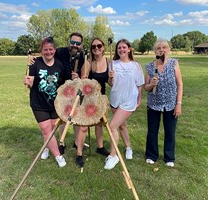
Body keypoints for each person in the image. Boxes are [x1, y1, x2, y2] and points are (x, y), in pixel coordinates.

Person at [30, 32, 85, 155]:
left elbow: (86, 73)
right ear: (69, 42)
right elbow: (47, 56)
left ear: (81, 44)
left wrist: (79, 77)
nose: (75, 45)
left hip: (75, 89)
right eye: (72, 42)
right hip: (59, 91)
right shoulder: (59, 52)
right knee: (61, 119)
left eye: (78, 43)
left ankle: (77, 143)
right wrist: (35, 59)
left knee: (75, 117)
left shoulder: (83, 56)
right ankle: (61, 142)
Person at [23, 37, 66, 167]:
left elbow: (61, 83)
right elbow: (31, 80)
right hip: (38, 103)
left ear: (54, 50)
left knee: (51, 129)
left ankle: (46, 147)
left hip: (54, 104)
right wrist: (28, 82)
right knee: (46, 130)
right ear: (41, 51)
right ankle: (58, 156)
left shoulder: (59, 65)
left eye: (51, 49)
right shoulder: (35, 63)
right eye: (45, 50)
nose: (48, 52)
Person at [104, 39, 144, 170]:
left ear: (129, 49)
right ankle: (128, 147)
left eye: (124, 47)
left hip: (128, 101)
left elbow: (139, 85)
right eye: (119, 48)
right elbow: (111, 84)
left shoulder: (136, 66)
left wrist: (139, 99)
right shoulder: (112, 63)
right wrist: (110, 77)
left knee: (112, 126)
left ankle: (113, 156)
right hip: (115, 99)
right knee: (121, 126)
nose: (121, 50)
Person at [144, 38, 183, 168]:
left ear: (168, 50)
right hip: (154, 103)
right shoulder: (150, 66)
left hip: (170, 103)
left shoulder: (174, 64)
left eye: (164, 47)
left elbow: (180, 84)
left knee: (170, 131)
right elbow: (146, 88)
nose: (162, 50)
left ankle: (169, 157)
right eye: (159, 48)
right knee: (152, 131)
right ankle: (151, 155)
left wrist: (179, 103)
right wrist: (151, 84)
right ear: (155, 51)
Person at [75, 37, 110, 167]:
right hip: (88, 98)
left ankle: (100, 147)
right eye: (94, 46)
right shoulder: (88, 62)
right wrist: (83, 78)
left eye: (99, 46)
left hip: (100, 98)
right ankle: (79, 154)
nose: (96, 48)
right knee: (84, 126)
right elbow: (82, 80)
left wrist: (111, 78)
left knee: (99, 124)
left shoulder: (108, 62)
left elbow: (110, 82)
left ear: (103, 47)